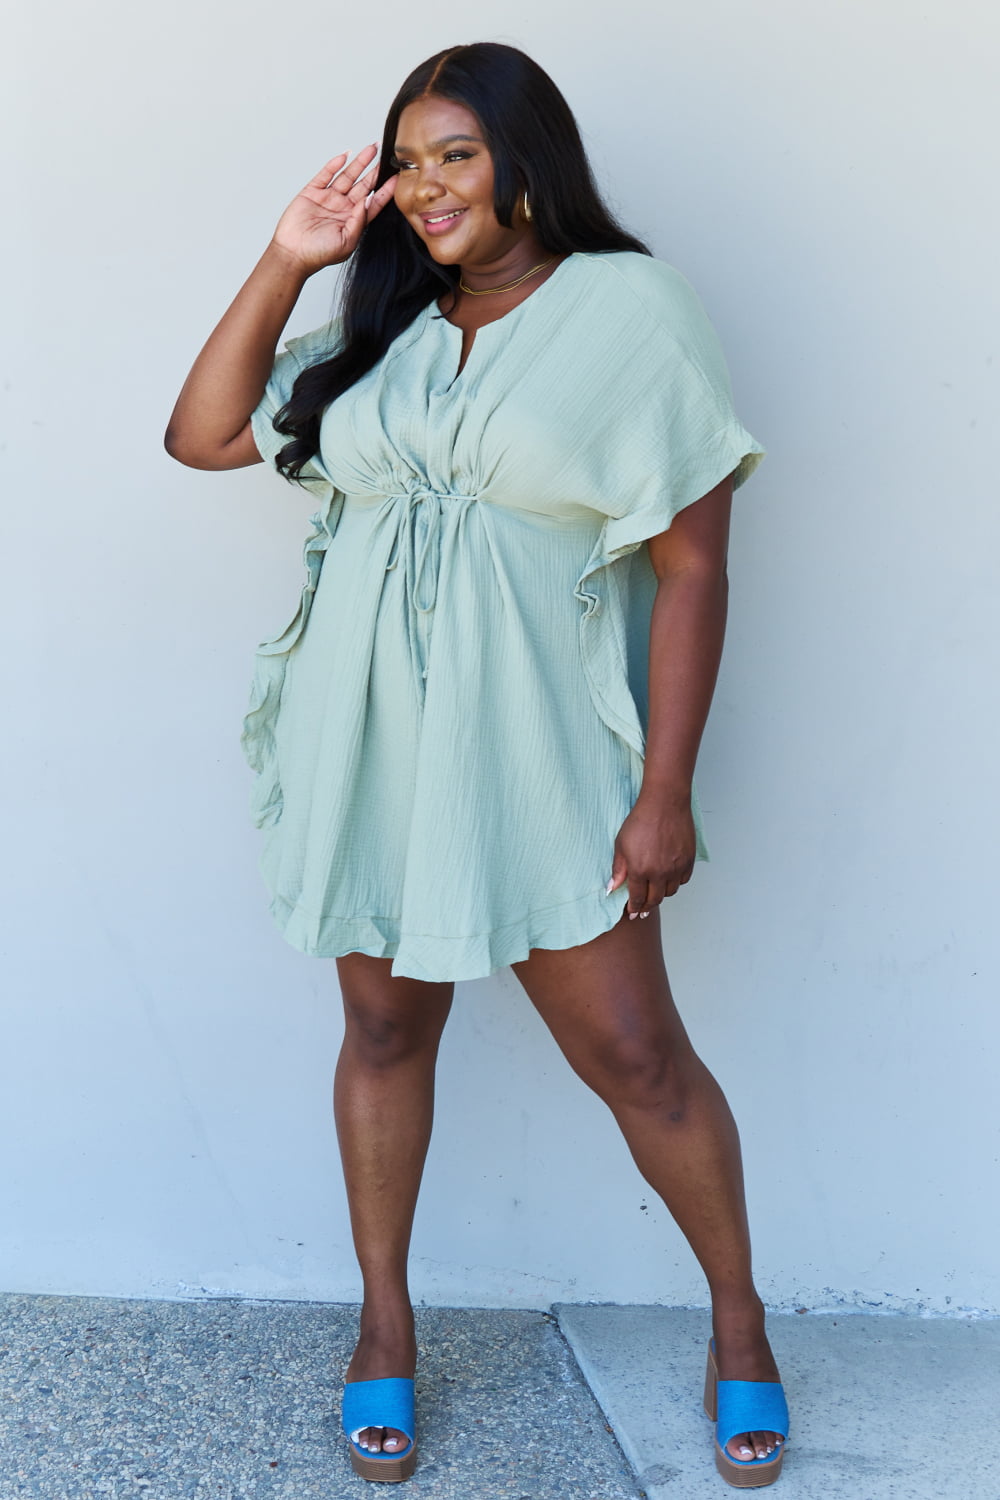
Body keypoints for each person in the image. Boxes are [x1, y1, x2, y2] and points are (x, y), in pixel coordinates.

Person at [165, 41, 788, 1489]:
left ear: (527, 159)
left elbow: (693, 569)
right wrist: (288, 257)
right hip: (373, 740)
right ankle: (387, 1326)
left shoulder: (634, 310)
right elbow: (202, 433)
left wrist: (665, 790)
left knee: (637, 1055)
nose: (429, 182)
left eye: (457, 152)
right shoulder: (379, 326)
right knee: (385, 1037)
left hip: (544, 750)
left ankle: (741, 1327)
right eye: (411, 156)